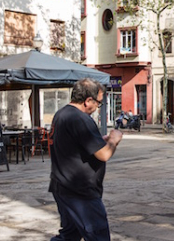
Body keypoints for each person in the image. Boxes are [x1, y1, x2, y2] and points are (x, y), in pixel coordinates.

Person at [49, 78, 123, 241]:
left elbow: (74, 144)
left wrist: (100, 141)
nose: (98, 107)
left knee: (70, 234)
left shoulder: (61, 114)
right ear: (88, 100)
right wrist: (113, 140)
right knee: (98, 235)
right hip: (80, 191)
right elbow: (104, 155)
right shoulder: (81, 118)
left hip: (62, 185)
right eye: (98, 103)